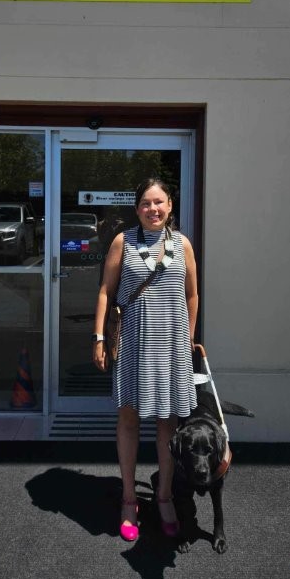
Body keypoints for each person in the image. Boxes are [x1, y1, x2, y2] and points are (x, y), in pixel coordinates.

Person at [92, 178, 198, 542]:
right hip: (133, 344)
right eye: (146, 204)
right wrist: (100, 336)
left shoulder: (182, 244)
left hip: (170, 347)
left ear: (170, 206)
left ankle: (164, 498)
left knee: (168, 425)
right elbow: (106, 291)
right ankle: (127, 499)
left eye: (160, 202)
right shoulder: (124, 241)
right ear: (137, 209)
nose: (153, 209)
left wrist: (188, 339)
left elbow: (192, 295)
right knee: (130, 420)